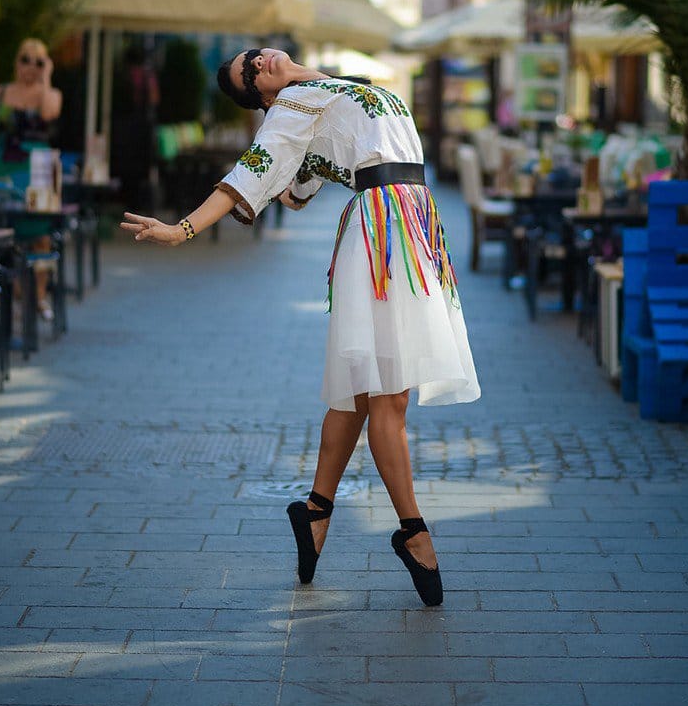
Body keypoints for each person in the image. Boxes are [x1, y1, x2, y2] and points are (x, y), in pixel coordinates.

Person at [121, 48, 481, 606]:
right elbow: (252, 173)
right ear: (261, 99)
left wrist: (293, 182)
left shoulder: (329, 92)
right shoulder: (289, 107)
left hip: (408, 227)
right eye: (247, 74)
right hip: (384, 232)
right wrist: (182, 230)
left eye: (252, 55)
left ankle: (315, 511)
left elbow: (296, 188)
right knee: (389, 397)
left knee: (361, 397)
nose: (256, 61)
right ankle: (413, 533)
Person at [0, 38, 63, 320]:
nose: (30, 66)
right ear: (16, 62)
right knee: (4, 231)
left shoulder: (48, 94)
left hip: (37, 170)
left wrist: (46, 76)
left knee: (40, 234)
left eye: (37, 61)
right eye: (25, 59)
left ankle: (38, 297)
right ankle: (13, 293)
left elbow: (50, 112)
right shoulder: (2, 92)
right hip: (4, 168)